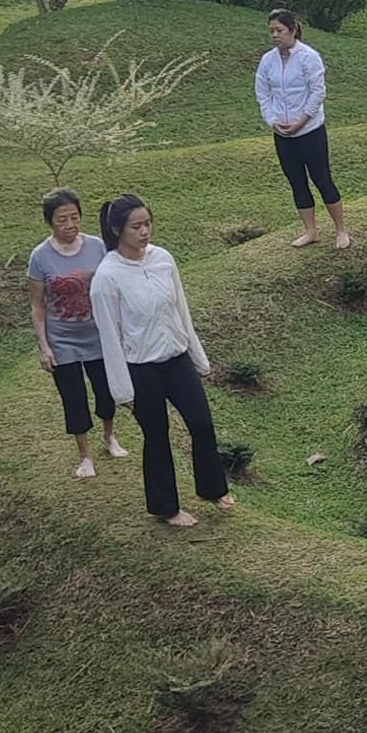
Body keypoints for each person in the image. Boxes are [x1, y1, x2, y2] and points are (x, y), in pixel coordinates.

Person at [89, 193, 231, 527]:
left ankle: (213, 489)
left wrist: (199, 359)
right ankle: (167, 508)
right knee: (157, 436)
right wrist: (123, 392)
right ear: (117, 230)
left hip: (176, 358)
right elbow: (109, 338)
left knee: (202, 424)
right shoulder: (107, 278)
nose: (144, 232)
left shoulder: (162, 259)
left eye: (147, 224)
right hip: (142, 368)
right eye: (136, 226)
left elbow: (181, 311)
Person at [27, 187, 127, 478]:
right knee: (74, 399)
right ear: (50, 222)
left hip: (98, 336)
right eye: (62, 220)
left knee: (106, 394)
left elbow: (112, 286)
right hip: (62, 340)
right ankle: (85, 456)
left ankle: (109, 436)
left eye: (74, 217)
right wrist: (44, 346)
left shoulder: (97, 247)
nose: (70, 225)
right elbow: (37, 305)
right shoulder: (40, 257)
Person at [254, 9, 350, 249]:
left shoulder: (308, 57)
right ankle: (310, 231)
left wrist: (301, 120)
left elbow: (318, 92)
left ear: (293, 30)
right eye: (272, 31)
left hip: (310, 131)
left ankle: (340, 230)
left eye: (280, 30)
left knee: (322, 178)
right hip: (282, 134)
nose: (275, 35)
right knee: (297, 181)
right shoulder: (268, 60)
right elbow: (263, 93)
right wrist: (272, 120)